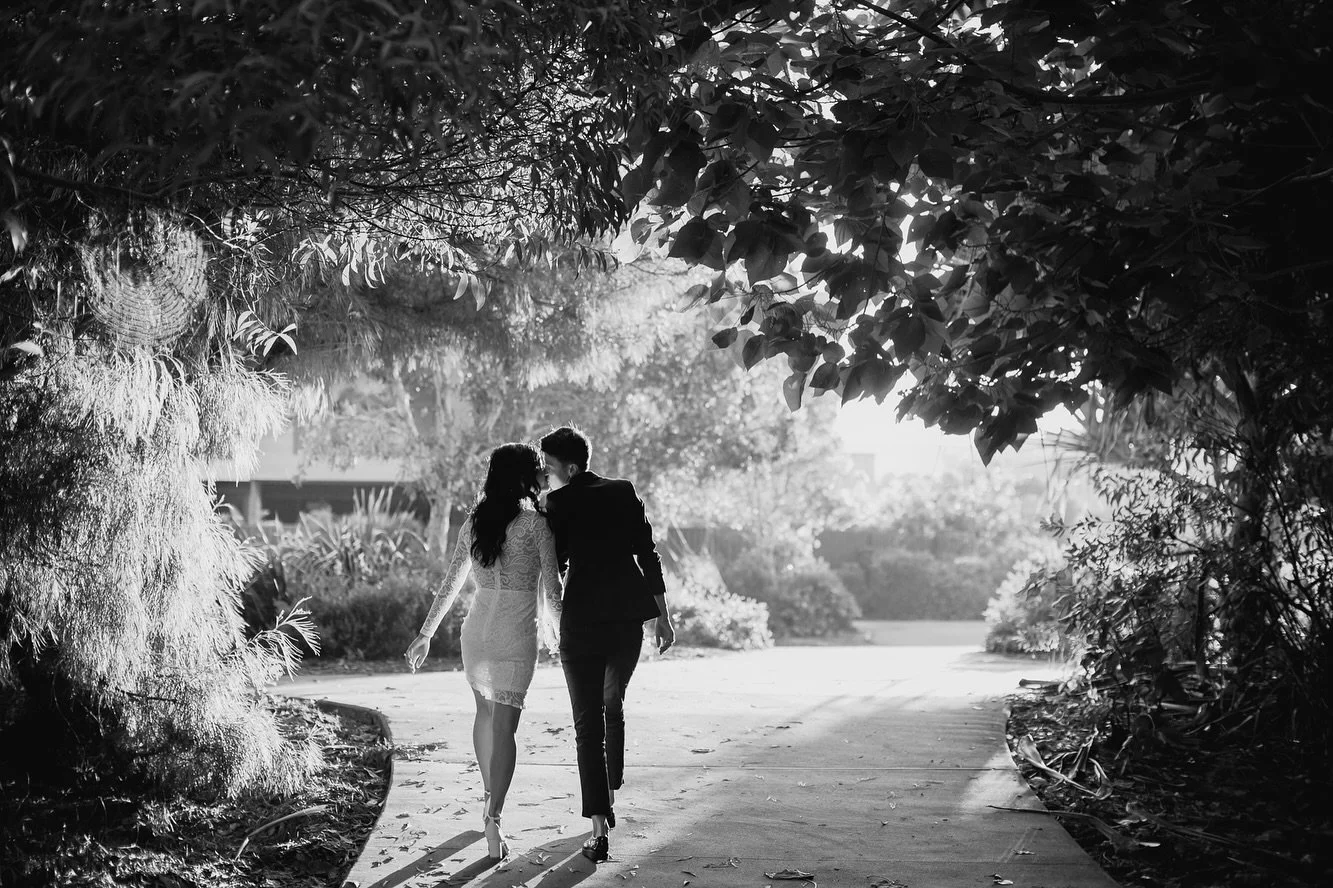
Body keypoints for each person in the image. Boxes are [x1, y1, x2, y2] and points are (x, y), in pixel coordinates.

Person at [404, 443, 563, 862]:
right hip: (514, 635)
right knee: (505, 729)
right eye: (537, 470)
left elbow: (452, 581)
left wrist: (426, 633)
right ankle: (494, 816)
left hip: (476, 634)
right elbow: (554, 591)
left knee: (485, 716)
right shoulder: (536, 526)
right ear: (525, 476)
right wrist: (563, 634)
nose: (542, 476)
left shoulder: (475, 522)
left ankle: (488, 798)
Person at [539, 426, 676, 864]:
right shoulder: (623, 491)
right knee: (611, 703)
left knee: (587, 724)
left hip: (580, 623)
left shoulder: (556, 505)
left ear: (571, 467)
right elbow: (647, 554)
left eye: (549, 466)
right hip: (624, 621)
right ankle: (610, 789)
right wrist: (663, 617)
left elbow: (552, 566)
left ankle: (599, 827)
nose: (544, 474)